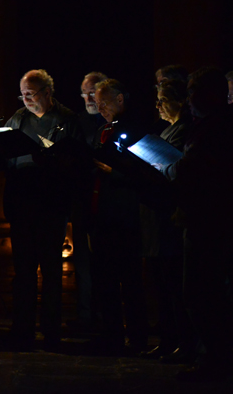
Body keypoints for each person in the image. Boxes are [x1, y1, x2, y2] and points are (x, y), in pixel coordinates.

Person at [2, 69, 83, 350]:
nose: (25, 99)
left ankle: (51, 329)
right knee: (23, 271)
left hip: (51, 204)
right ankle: (22, 328)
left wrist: (55, 162)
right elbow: (6, 159)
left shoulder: (68, 120)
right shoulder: (18, 119)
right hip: (22, 204)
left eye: (31, 94)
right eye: (22, 94)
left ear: (48, 93)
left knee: (50, 270)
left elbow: (79, 163)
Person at [171, 68, 233, 382]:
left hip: (209, 221)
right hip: (206, 219)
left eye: (194, 91)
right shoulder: (211, 124)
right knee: (205, 293)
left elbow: (196, 170)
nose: (189, 99)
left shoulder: (216, 127)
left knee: (201, 293)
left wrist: (173, 169)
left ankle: (216, 361)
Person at [89, 78, 151, 354]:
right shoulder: (103, 129)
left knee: (130, 280)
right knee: (105, 279)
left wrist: (112, 172)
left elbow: (143, 173)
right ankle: (111, 335)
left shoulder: (135, 129)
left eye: (104, 102)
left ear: (120, 99)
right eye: (97, 103)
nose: (99, 107)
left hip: (125, 216)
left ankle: (137, 337)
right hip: (101, 215)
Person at [144, 79, 193, 362]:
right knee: (163, 284)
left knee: (175, 286)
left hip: (171, 216)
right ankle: (169, 339)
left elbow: (173, 169)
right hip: (158, 216)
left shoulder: (184, 130)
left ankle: (182, 343)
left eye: (163, 99)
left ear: (180, 101)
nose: (158, 105)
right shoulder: (167, 129)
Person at [68, 70, 108, 331]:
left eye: (93, 92)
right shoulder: (77, 121)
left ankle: (106, 319)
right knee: (82, 263)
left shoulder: (111, 122)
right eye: (85, 93)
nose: (88, 97)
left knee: (106, 265)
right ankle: (85, 316)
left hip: (109, 202)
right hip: (82, 201)